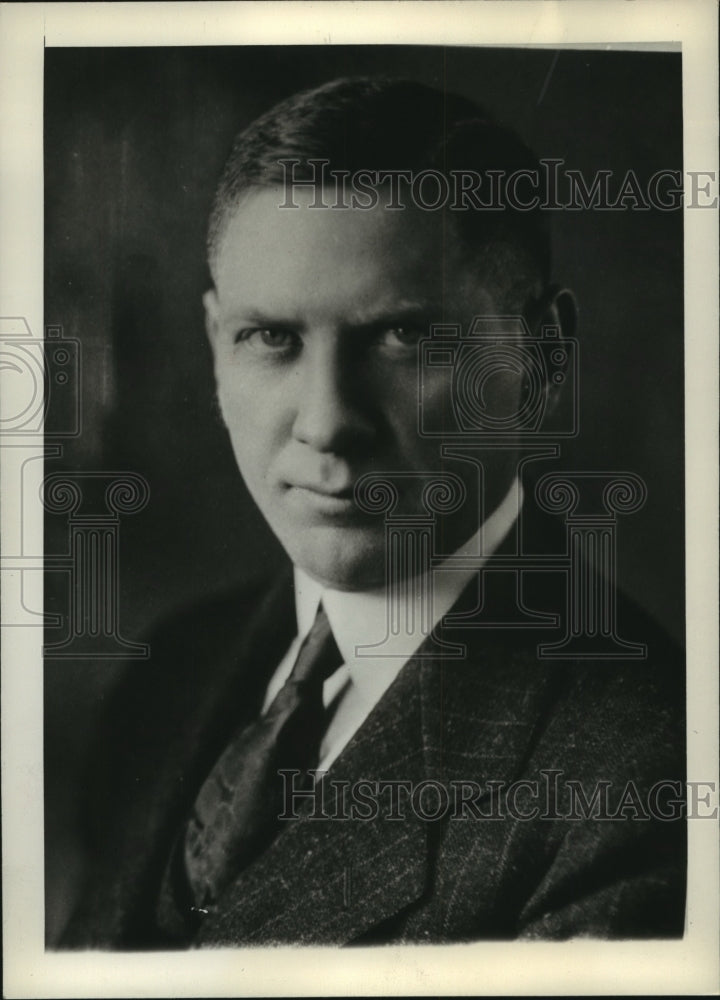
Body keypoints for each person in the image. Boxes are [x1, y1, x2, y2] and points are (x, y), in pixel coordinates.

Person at [60, 76, 685, 948]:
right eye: (270, 338)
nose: (325, 421)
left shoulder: (640, 778)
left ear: (542, 358)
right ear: (215, 348)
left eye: (405, 339)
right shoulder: (166, 682)